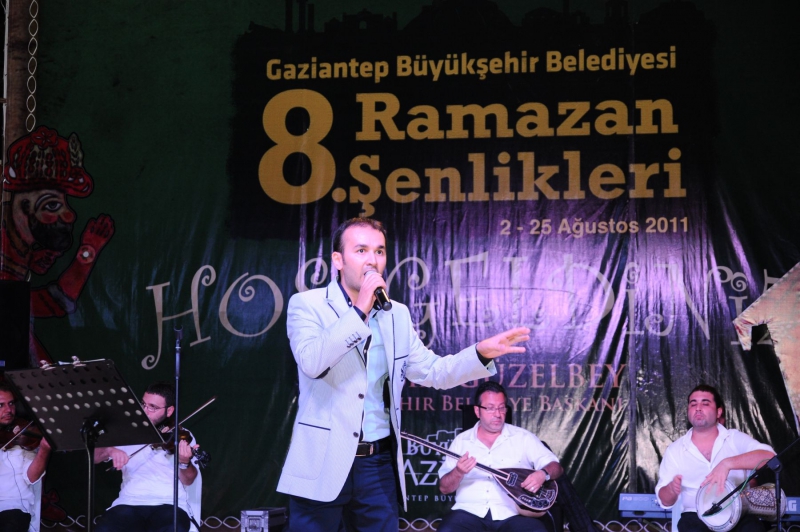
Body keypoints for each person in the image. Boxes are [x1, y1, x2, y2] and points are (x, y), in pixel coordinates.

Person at [277, 217, 532, 532]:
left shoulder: (395, 313)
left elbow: (433, 371)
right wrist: (359, 310)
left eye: (380, 251)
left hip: (377, 463)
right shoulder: (308, 304)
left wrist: (480, 352)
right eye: (361, 250)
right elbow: (312, 362)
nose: (373, 260)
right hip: (322, 458)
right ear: (338, 260)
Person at [437, 381, 563, 532]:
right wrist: (458, 472)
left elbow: (556, 467)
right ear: (477, 411)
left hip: (513, 514)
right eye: (490, 408)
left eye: (501, 407)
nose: (497, 414)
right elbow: (444, 488)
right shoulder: (461, 441)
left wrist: (543, 474)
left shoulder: (523, 437)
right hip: (468, 512)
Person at [655, 384, 776, 532]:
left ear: (719, 412)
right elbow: (664, 501)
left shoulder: (734, 439)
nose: (698, 408)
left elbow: (769, 457)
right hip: (696, 516)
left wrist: (727, 464)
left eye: (705, 403)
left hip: (737, 514)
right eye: (693, 404)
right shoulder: (675, 450)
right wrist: (671, 490)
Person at [93, 382, 201, 532]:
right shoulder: (125, 432)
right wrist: (110, 450)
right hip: (128, 502)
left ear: (169, 410)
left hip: (170, 504)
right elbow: (95, 457)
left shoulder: (181, 436)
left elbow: (188, 480)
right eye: (143, 404)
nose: (145, 411)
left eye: (153, 407)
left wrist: (184, 462)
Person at [0, 384, 52, 532]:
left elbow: (31, 478)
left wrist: (44, 449)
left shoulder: (24, 435)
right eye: (1, 405)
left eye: (11, 404)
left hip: (12, 507)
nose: (9, 410)